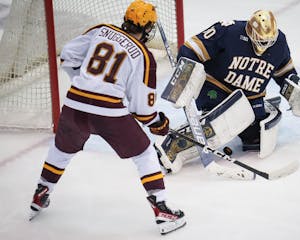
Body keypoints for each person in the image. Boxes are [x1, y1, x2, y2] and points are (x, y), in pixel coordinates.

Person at [29, 0, 186, 235]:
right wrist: (158, 123)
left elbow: (69, 56)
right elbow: (142, 110)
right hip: (108, 113)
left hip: (75, 104)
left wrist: (87, 85)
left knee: (62, 149)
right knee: (144, 153)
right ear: (148, 28)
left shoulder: (101, 29)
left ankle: (41, 193)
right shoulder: (143, 55)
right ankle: (162, 210)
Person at [157, 10, 300, 173]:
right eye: (260, 40)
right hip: (216, 88)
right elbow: (191, 49)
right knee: (219, 123)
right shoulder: (228, 31)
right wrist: (185, 74)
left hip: (251, 96)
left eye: (268, 41)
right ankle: (173, 146)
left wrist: (297, 89)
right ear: (250, 31)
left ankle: (253, 115)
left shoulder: (279, 43)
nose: (264, 45)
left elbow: (284, 73)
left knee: (257, 138)